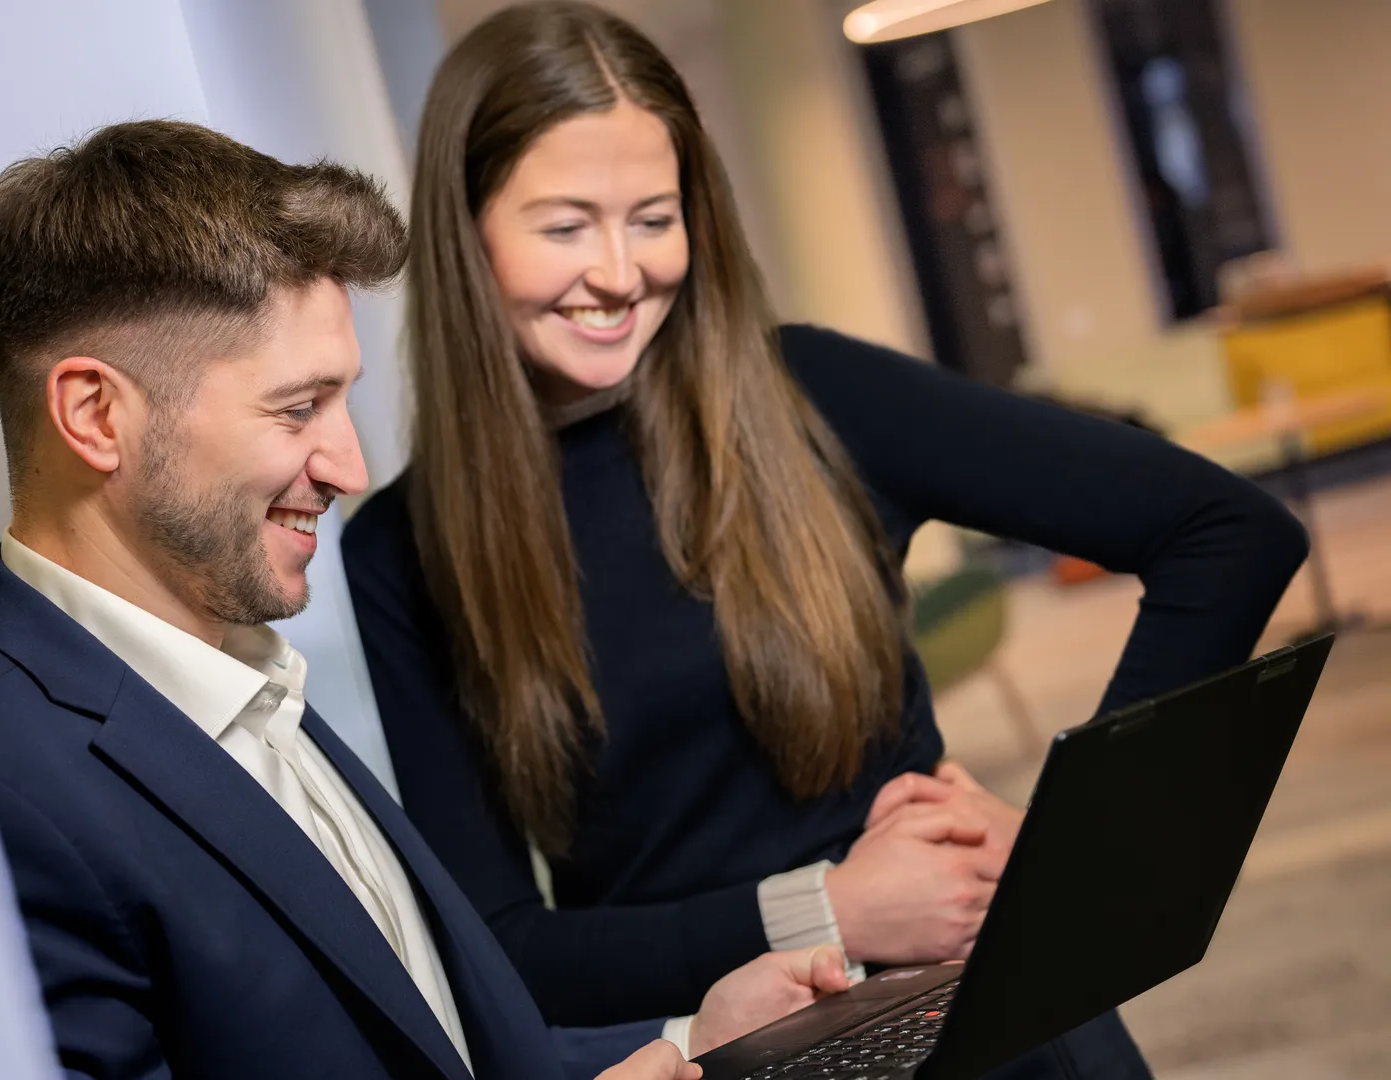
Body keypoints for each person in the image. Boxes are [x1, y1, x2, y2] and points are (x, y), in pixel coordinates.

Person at [341, 2, 1308, 1075]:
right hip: (732, 1054)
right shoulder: (401, 549)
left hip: (985, 1023)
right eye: (566, 227)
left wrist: (1070, 844)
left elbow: (1226, 531)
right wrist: (825, 909)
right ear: (464, 233)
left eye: (654, 219)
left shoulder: (815, 396)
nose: (618, 272)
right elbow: (507, 957)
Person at [0, 118, 852, 1080]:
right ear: (96, 414)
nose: (351, 467)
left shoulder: (243, 674)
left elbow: (445, 1053)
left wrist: (686, 1040)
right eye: (299, 408)